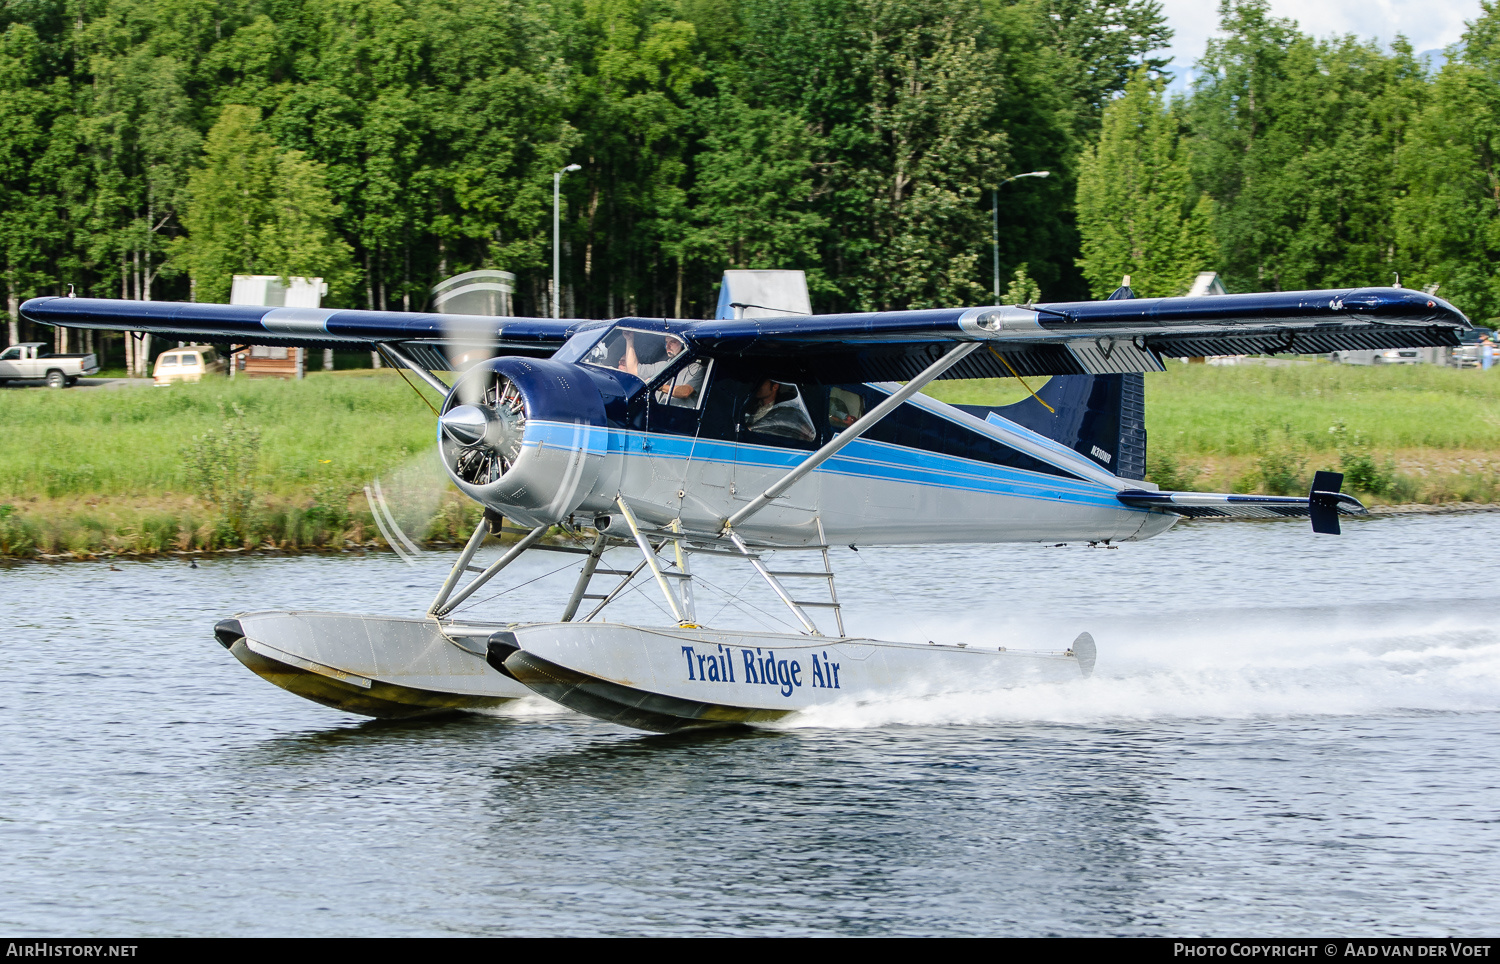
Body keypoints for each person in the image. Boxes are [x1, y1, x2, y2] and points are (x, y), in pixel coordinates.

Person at [745, 378, 815, 441]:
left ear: (775, 387)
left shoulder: (786, 410)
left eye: (762, 383)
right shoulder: (750, 405)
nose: (758, 386)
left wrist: (751, 429)